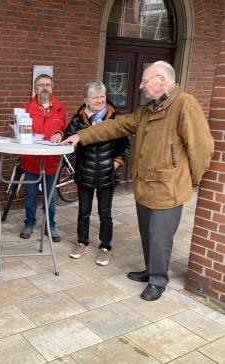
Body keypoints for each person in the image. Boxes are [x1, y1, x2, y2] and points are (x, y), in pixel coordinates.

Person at [61, 61, 214, 301]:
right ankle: (150, 270)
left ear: (162, 80)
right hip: (145, 186)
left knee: (160, 238)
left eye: (145, 80)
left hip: (168, 188)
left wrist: (188, 179)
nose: (140, 86)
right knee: (147, 234)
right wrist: (80, 136)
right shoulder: (147, 110)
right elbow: (116, 126)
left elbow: (202, 149)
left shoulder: (185, 104)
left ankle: (158, 280)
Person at [60, 81, 130, 266]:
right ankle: (82, 243)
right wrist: (59, 134)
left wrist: (117, 162)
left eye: (102, 96)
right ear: (86, 100)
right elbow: (68, 137)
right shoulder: (78, 118)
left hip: (107, 172)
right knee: (84, 212)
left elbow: (125, 144)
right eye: (95, 97)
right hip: (85, 172)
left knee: (105, 213)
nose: (100, 100)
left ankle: (105, 247)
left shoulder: (116, 117)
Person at [19, 74, 67, 242]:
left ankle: (50, 225)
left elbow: (64, 130)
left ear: (52, 88)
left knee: (51, 196)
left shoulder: (60, 109)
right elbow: (20, 133)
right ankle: (29, 223)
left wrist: (60, 133)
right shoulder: (26, 109)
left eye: (47, 84)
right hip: (32, 160)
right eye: (41, 85)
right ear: (35, 89)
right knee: (31, 194)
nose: (45, 87)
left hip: (52, 161)